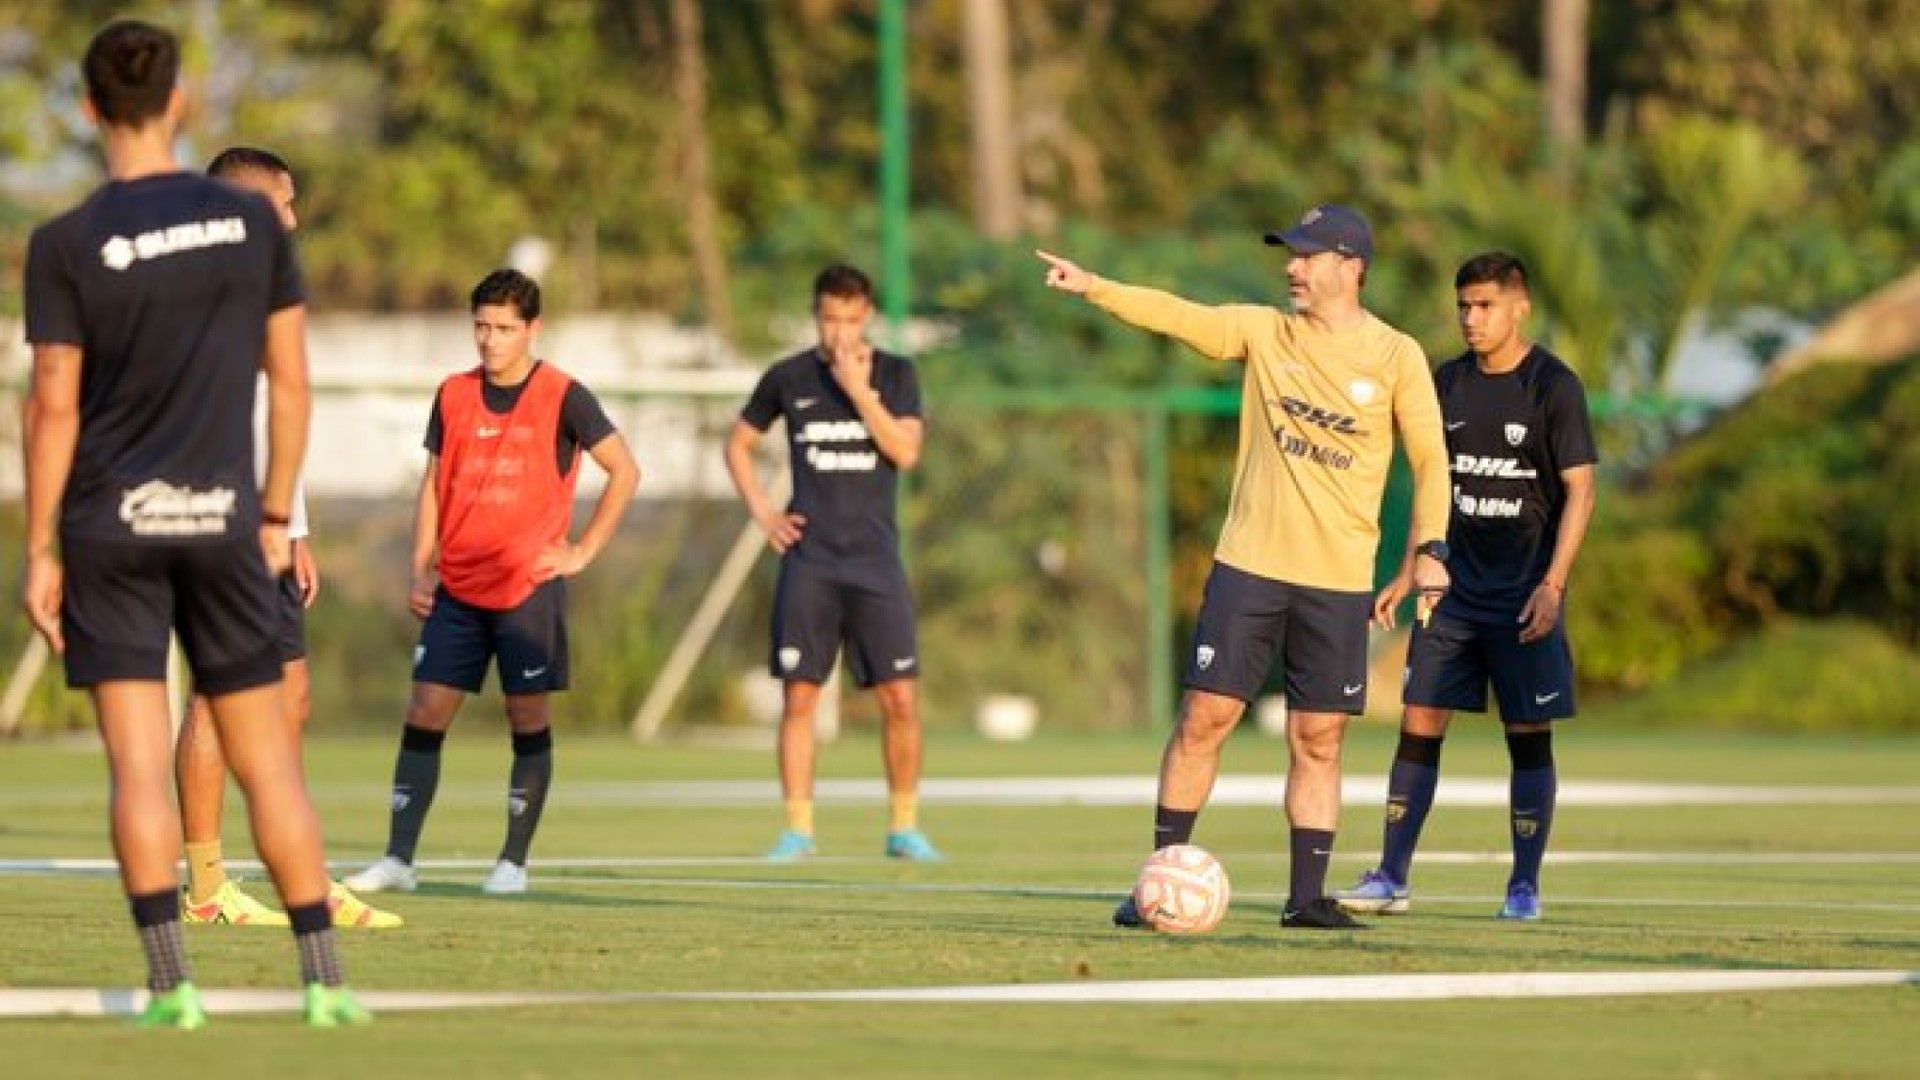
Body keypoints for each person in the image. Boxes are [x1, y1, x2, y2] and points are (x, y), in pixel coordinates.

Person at [21, 21, 367, 1026]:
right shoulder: (251, 227)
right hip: (223, 522)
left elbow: (51, 403)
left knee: (137, 764)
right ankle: (325, 987)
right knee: (267, 757)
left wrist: (41, 547)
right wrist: (274, 511)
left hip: (108, 527)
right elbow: (290, 385)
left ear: (88, 111)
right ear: (180, 103)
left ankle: (171, 988)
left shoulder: (65, 243)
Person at [1036, 204, 1452, 929]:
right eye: (1290, 254)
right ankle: (1159, 876)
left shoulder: (1396, 356)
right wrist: (1096, 285)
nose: (1292, 267)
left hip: (1337, 579)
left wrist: (1431, 552)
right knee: (1205, 718)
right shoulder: (1265, 333)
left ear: (1350, 267)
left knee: (1318, 738)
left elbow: (1429, 460)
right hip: (1250, 567)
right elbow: (1179, 315)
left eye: (1308, 255)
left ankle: (1307, 900)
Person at [345, 269, 640, 896]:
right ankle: (398, 859)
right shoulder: (452, 394)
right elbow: (434, 482)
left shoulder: (564, 395)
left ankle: (513, 862)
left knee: (525, 715)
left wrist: (582, 550)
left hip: (527, 590)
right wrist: (421, 564)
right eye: (481, 326)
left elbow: (625, 471)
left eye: (505, 328)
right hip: (456, 588)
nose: (490, 340)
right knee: (425, 709)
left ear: (532, 329)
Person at [169, 146, 399, 930]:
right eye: (283, 203)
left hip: (269, 526)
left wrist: (294, 525)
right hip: (216, 524)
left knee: (290, 697)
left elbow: (273, 414)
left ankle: (301, 870)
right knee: (215, 696)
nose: (295, 219)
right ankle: (204, 889)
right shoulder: (192, 287)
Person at [1333, 252, 1598, 921]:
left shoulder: (1553, 387)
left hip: (1524, 595)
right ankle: (1391, 875)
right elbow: (1430, 484)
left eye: (1485, 306)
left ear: (1519, 307)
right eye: (1464, 307)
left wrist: (1554, 584)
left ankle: (1524, 886)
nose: (1472, 319)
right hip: (1449, 592)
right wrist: (1407, 568)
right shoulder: (1444, 383)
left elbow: (1581, 491)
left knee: (1527, 730)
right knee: (1419, 722)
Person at [724, 264, 940, 862]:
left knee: (899, 699)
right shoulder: (789, 377)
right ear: (816, 315)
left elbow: (905, 450)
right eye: (828, 318)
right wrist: (764, 513)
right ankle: (798, 828)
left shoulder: (897, 375)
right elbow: (737, 443)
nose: (838, 331)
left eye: (850, 319)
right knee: (800, 698)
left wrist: (858, 392)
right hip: (811, 562)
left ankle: (904, 826)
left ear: (867, 316)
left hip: (876, 562)